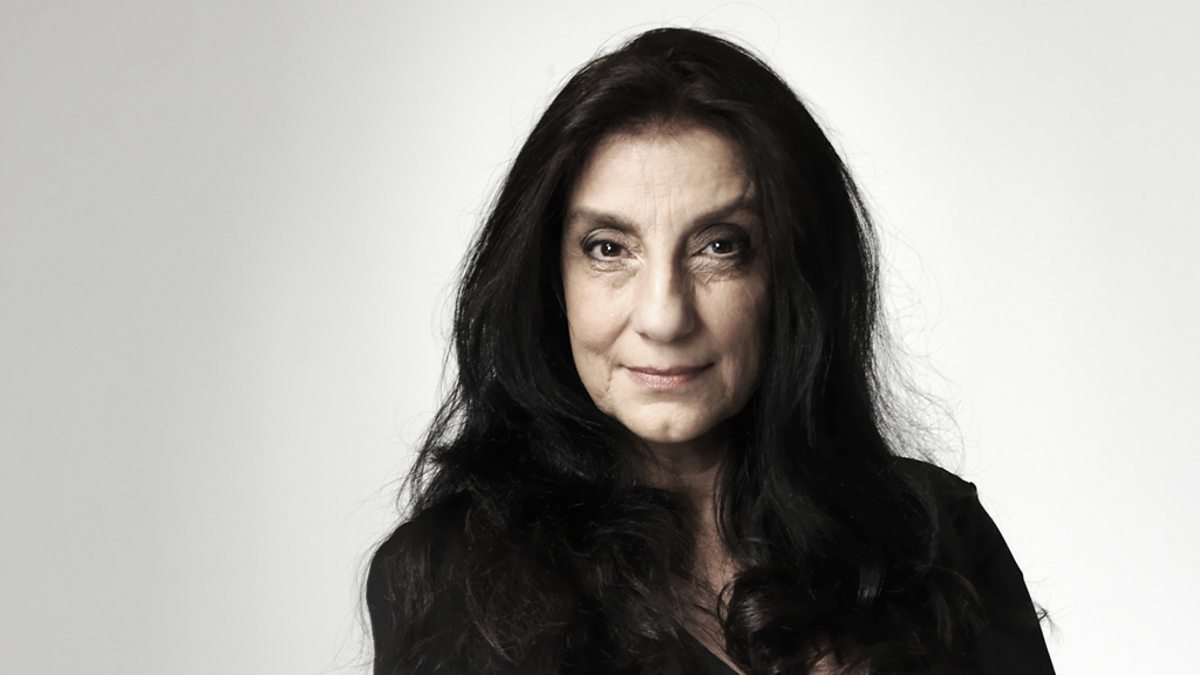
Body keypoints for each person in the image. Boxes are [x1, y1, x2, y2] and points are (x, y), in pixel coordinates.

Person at [366, 27, 1054, 674]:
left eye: (719, 246)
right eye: (608, 248)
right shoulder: (448, 578)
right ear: (551, 281)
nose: (664, 316)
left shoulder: (933, 539)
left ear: (791, 276)